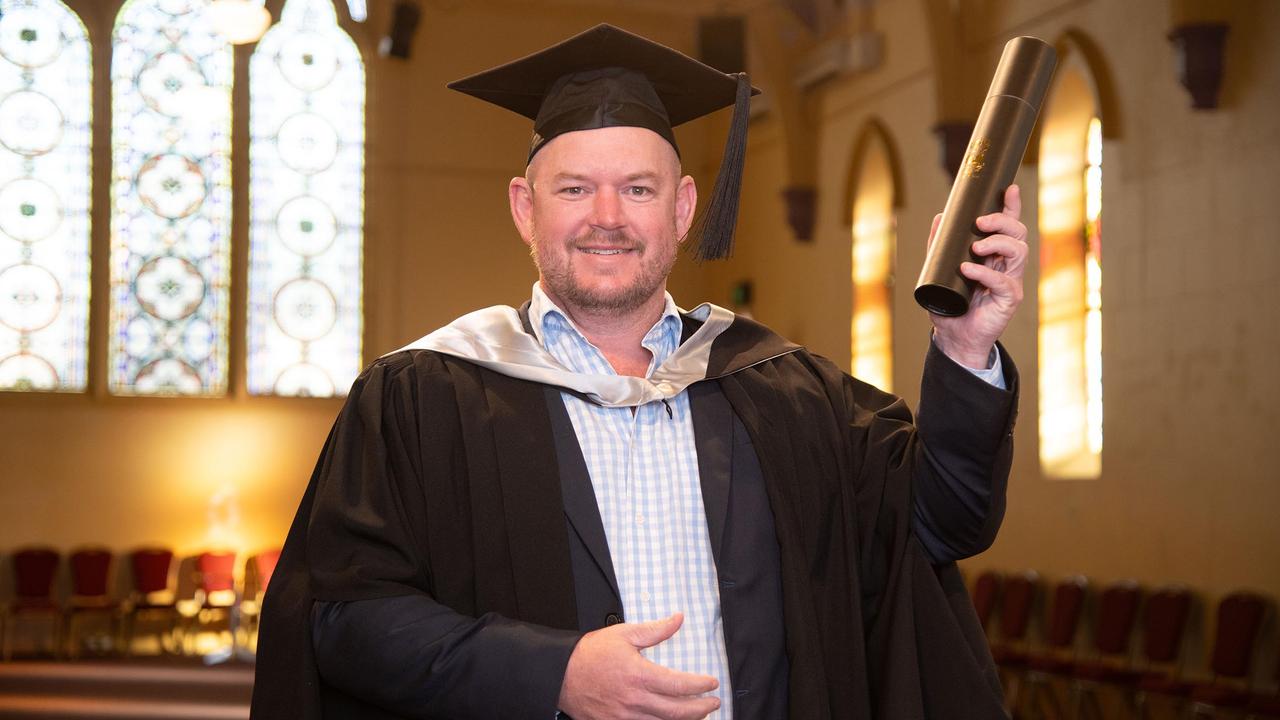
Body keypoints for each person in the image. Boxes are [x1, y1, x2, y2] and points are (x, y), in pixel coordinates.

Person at [252, 24, 1026, 720]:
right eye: (575, 188)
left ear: (684, 208)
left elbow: (943, 522)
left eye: (639, 188)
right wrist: (550, 673)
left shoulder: (786, 392)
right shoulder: (424, 396)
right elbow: (341, 618)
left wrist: (964, 348)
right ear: (525, 208)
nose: (608, 217)